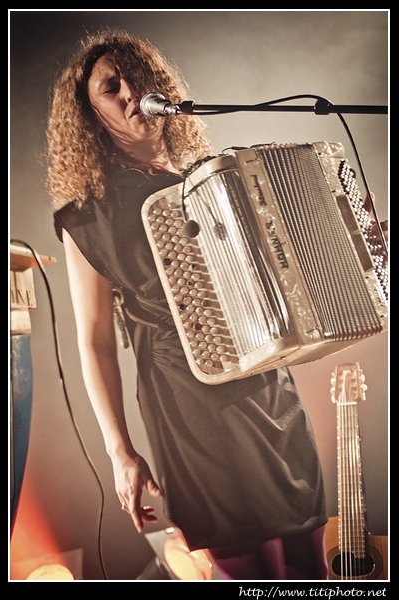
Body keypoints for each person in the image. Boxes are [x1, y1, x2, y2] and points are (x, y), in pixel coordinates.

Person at [46, 29, 328, 580]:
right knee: (252, 569)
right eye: (111, 87)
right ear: (91, 118)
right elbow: (95, 340)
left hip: (270, 386)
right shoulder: (88, 216)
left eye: (135, 76)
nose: (130, 92)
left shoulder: (215, 180)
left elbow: (280, 276)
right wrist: (120, 452)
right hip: (189, 399)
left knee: (309, 562)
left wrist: (352, 246)